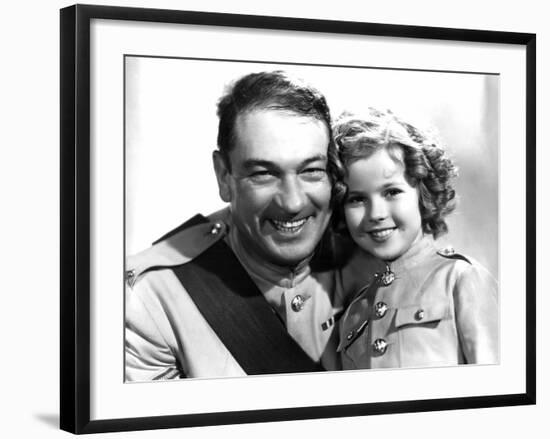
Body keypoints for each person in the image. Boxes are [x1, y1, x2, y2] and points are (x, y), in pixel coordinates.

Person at [125, 70, 346, 381]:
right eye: (263, 174)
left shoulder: (372, 251)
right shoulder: (151, 300)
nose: (293, 202)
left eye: (311, 170)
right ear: (223, 177)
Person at [332, 108, 498, 369]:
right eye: (357, 199)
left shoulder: (459, 279)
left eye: (392, 192)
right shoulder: (354, 313)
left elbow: (498, 386)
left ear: (423, 194)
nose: (376, 214)